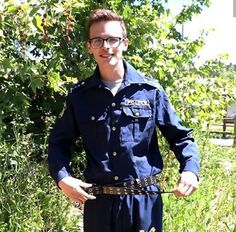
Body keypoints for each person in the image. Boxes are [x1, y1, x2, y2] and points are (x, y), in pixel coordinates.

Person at [48, 8, 200, 232]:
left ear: (125, 43)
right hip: (99, 205)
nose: (106, 46)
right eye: (98, 40)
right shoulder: (79, 96)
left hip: (144, 202)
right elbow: (59, 142)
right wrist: (63, 178)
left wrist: (190, 170)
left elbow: (182, 137)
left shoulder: (150, 91)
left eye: (112, 39)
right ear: (89, 47)